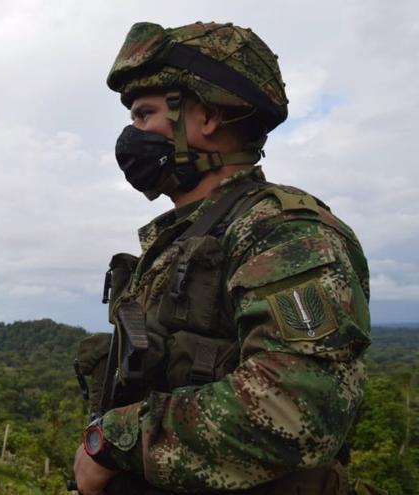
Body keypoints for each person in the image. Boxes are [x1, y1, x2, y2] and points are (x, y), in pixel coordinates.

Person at [73, 22, 371, 494]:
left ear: (206, 117)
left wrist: (115, 440)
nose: (132, 134)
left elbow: (298, 408)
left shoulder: (283, 232)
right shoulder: (181, 240)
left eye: (144, 114)